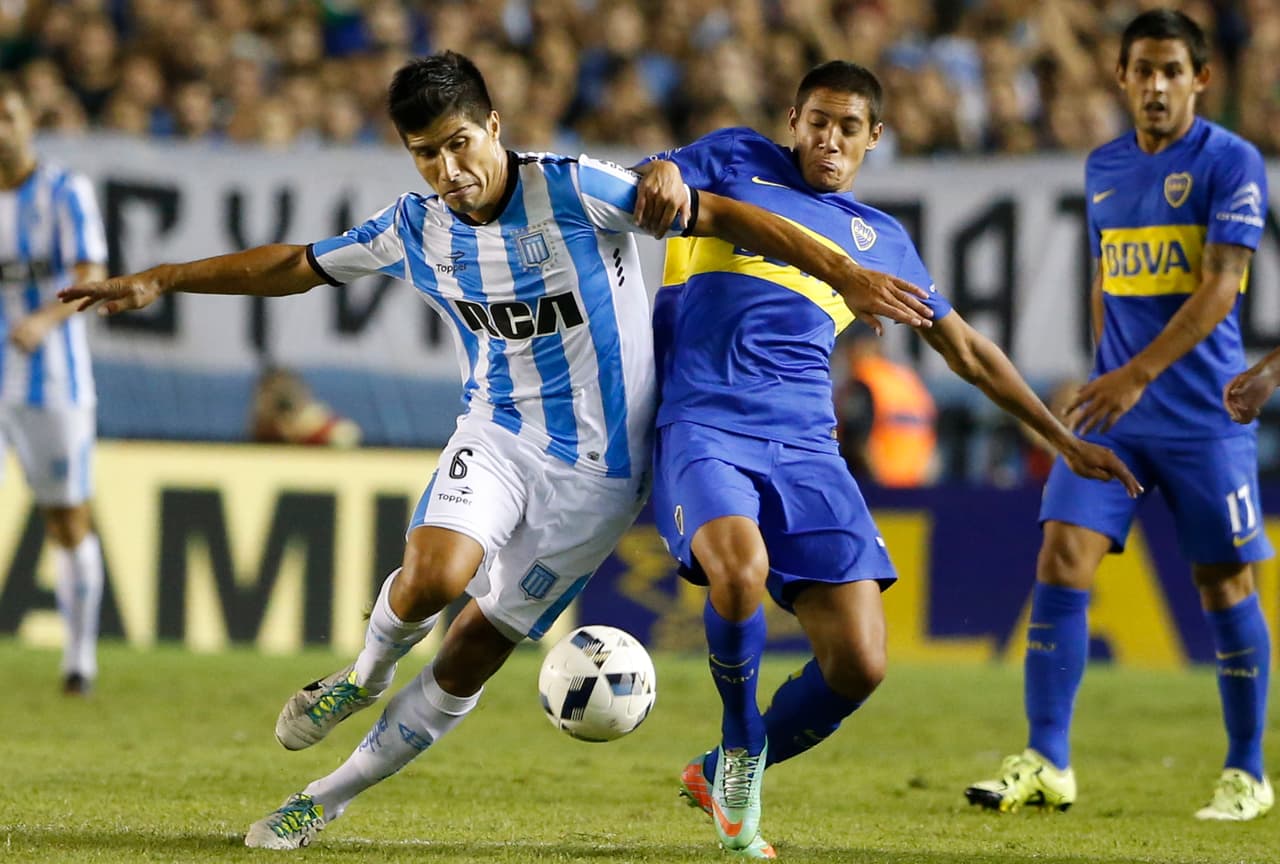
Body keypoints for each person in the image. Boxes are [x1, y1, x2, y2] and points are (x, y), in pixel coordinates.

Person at [61, 51, 940, 853]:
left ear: (493, 128)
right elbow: (296, 264)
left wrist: (842, 271)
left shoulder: (577, 188)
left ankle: (321, 800)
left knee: (469, 652)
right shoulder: (415, 227)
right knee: (434, 577)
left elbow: (730, 216)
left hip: (601, 480)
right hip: (499, 435)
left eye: (459, 145)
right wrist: (165, 278)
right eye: (425, 155)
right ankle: (363, 676)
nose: (449, 171)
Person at [634, 60, 1141, 857]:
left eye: (848, 128)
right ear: (793, 120)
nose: (829, 141)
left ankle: (716, 771)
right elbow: (654, 180)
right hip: (705, 425)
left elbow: (967, 352)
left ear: (875, 137)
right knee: (739, 569)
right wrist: (661, 170)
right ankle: (739, 750)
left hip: (808, 447)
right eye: (817, 122)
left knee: (861, 663)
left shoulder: (883, 241)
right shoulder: (735, 156)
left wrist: (1061, 437)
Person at [966, 9, 1274, 822]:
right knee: (1062, 555)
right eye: (1143, 70)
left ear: (1201, 79)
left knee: (1223, 584)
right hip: (1118, 409)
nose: (1156, 86)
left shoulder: (1231, 161)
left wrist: (1137, 373)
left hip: (1202, 413)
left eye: (1172, 71)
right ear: (1122, 78)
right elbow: (1108, 279)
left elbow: (1221, 288)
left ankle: (1247, 772)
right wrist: (1108, 369)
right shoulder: (1103, 166)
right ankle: (1048, 760)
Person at [0, 76, 108, 696]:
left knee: (66, 517)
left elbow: (91, 272)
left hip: (55, 382)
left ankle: (79, 660)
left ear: (29, 123)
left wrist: (43, 320)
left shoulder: (66, 191)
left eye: (7, 116)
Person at [837, 323, 937, 487]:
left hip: (877, 483)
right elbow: (930, 431)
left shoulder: (864, 380)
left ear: (858, 346)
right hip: (915, 482)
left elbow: (857, 439)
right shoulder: (908, 380)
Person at [249, 366, 361, 447]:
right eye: (273, 390)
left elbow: (347, 433)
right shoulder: (265, 421)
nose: (282, 396)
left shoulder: (313, 418)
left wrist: (315, 433)